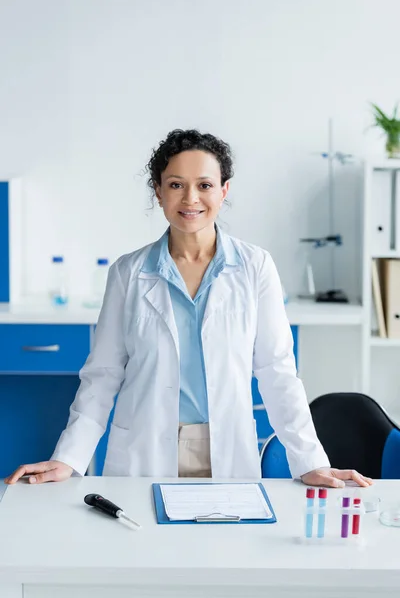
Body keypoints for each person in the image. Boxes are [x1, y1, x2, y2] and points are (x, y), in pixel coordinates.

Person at [6, 129, 372, 489]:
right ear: (159, 191)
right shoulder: (128, 272)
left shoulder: (254, 266)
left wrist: (311, 462)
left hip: (225, 450)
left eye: (205, 185)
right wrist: (67, 458)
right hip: (143, 450)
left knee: (222, 546)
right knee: (139, 544)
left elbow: (277, 372)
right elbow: (102, 376)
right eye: (176, 184)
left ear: (224, 190)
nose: (191, 198)